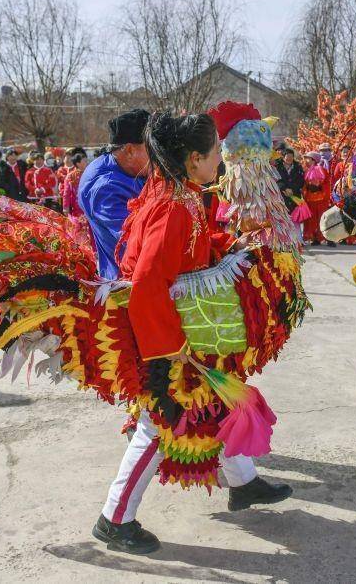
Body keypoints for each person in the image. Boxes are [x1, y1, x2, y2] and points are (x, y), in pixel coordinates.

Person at [94, 111, 291, 554]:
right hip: (160, 336)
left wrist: (230, 245)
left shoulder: (180, 193)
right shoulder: (173, 205)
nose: (221, 158)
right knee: (158, 426)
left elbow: (189, 254)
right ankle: (115, 517)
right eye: (217, 151)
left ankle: (244, 483)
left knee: (222, 400)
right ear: (194, 159)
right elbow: (148, 282)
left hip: (174, 326)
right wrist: (169, 353)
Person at [78, 109, 151, 279]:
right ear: (130, 150)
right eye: (152, 148)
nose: (159, 155)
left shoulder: (130, 169)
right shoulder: (105, 187)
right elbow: (136, 241)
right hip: (126, 283)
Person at [300, 151, 331, 245]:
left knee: (320, 218)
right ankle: (313, 237)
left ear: (313, 160)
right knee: (311, 219)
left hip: (320, 199)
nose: (306, 161)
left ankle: (320, 237)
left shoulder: (320, 169)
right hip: (309, 199)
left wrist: (319, 187)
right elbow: (305, 184)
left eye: (308, 158)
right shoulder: (306, 170)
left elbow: (326, 183)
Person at [274, 147, 305, 224]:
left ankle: (296, 235)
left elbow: (301, 181)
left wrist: (292, 189)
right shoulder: (277, 166)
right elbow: (276, 179)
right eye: (288, 157)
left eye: (291, 157)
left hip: (295, 196)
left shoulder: (298, 167)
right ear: (283, 157)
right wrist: (284, 188)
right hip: (282, 195)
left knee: (295, 219)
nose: (289, 159)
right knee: (283, 219)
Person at [60, 153, 87, 218]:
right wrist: (65, 207)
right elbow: (66, 193)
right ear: (78, 163)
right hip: (76, 207)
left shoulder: (90, 174)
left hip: (90, 206)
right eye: (84, 161)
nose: (87, 163)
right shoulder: (70, 176)